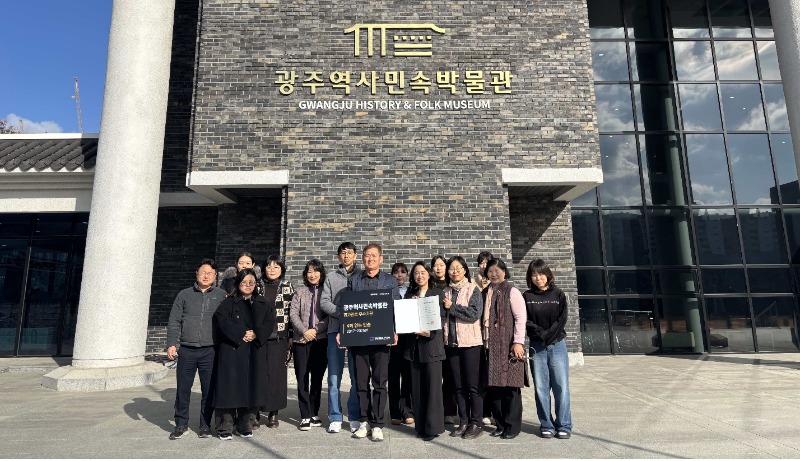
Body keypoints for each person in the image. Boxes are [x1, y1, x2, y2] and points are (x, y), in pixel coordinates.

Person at [345, 243, 401, 442]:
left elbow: (396, 307)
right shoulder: (354, 280)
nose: (370, 259)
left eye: (374, 255)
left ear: (380, 259)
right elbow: (348, 308)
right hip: (359, 339)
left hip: (381, 340)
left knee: (379, 383)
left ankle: (377, 423)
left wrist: (394, 331)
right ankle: (363, 421)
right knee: (361, 383)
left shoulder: (389, 280)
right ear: (363, 258)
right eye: (367, 255)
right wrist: (344, 333)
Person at [212, 268, 276, 440]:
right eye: (244, 282)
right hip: (232, 351)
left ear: (256, 284)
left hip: (254, 351)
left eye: (251, 282)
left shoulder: (263, 303)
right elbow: (221, 321)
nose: (248, 285)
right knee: (229, 390)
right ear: (238, 283)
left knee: (251, 389)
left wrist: (256, 334)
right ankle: (224, 427)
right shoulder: (228, 302)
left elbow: (269, 322)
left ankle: (244, 425)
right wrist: (241, 333)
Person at [166, 258, 226, 440]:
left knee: (208, 390)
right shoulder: (184, 295)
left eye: (210, 273)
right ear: (197, 274)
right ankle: (181, 424)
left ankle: (205, 425)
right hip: (187, 350)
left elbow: (228, 322)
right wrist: (171, 343)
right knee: (183, 390)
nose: (206, 276)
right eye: (203, 272)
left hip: (211, 351)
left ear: (215, 276)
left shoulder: (221, 295)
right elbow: (174, 320)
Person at [524, 258, 572, 440]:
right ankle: (546, 424)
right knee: (541, 388)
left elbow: (562, 320)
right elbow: (525, 321)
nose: (538, 278)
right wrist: (541, 335)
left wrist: (548, 336)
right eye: (534, 275)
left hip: (557, 345)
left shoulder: (558, 294)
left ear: (548, 274)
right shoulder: (527, 296)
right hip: (537, 347)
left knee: (561, 387)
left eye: (541, 274)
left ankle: (564, 424)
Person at [319, 242, 362, 434]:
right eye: (343, 253)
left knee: (356, 375)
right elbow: (324, 302)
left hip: (357, 331)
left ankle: (354, 416)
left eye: (349, 253)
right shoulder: (331, 277)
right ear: (338, 256)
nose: (346, 256)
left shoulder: (361, 276)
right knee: (334, 376)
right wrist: (342, 313)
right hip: (334, 330)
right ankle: (335, 416)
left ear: (355, 255)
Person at [482, 258, 527, 440]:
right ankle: (500, 424)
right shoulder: (486, 292)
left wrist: (518, 342)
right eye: (490, 271)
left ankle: (512, 426)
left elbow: (521, 318)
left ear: (504, 272)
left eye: (497, 271)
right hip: (491, 348)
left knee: (510, 387)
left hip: (509, 346)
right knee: (495, 388)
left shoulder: (512, 291)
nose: (493, 274)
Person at [442, 255, 484, 439]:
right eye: (451, 268)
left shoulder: (473, 289)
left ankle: (476, 422)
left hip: (470, 343)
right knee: (458, 386)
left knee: (472, 385)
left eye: (458, 268)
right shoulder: (445, 291)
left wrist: (452, 307)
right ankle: (464, 421)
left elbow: (474, 314)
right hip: (451, 343)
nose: (455, 271)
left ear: (465, 270)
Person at [403, 261, 446, 441]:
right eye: (416, 273)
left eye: (422, 272)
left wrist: (429, 332)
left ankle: (433, 427)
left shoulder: (437, 293)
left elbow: (442, 317)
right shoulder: (409, 294)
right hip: (414, 349)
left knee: (433, 389)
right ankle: (420, 426)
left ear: (429, 274)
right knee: (417, 389)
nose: (419, 276)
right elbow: (404, 319)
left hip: (432, 346)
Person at [289, 259, 329, 431]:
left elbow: (329, 316)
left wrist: (315, 330)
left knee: (317, 378)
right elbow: (293, 314)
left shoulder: (326, 291)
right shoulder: (300, 291)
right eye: (309, 271)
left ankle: (314, 412)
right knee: (302, 377)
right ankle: (305, 414)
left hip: (320, 340)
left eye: (315, 271)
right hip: (301, 340)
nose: (312, 275)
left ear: (321, 273)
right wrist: (305, 331)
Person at [258, 255, 295, 428]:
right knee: (258, 374)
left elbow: (292, 314)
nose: (272, 270)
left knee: (277, 376)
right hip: (259, 338)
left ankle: (274, 412)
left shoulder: (287, 287)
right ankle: (255, 411)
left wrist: (291, 336)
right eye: (269, 266)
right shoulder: (257, 286)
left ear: (282, 270)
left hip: (279, 337)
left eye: (276, 267)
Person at [431, 254, 457, 424]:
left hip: (449, 333)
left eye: (442, 265)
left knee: (449, 374)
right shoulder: (429, 284)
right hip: (433, 335)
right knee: (434, 375)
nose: (439, 268)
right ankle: (434, 409)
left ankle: (449, 411)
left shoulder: (452, 285)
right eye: (436, 265)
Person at [389, 262, 413, 426]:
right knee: (393, 376)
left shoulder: (412, 292)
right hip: (392, 338)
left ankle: (407, 410)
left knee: (408, 375)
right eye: (396, 272)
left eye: (403, 272)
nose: (399, 275)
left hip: (408, 339)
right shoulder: (387, 292)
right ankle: (395, 411)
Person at [473, 251, 495, 426]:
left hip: (493, 337)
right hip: (476, 336)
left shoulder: (497, 284)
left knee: (493, 374)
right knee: (481, 376)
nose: (484, 266)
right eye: (481, 263)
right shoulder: (473, 283)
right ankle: (484, 411)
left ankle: (495, 411)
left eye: (487, 263)